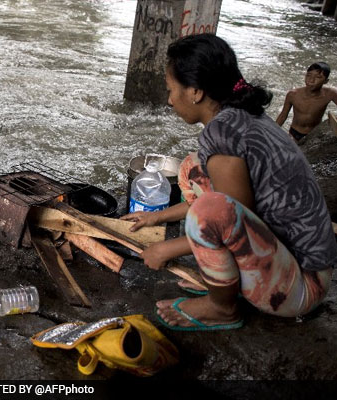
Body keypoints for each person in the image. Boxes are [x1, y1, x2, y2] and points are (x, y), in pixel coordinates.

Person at [121, 34, 337, 332]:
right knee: (191, 167)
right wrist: (156, 216)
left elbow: (223, 216)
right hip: (296, 263)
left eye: (171, 90)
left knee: (210, 210)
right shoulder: (243, 115)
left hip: (298, 287)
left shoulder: (221, 135)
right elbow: (233, 208)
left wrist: (166, 249)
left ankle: (222, 307)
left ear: (195, 92)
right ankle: (227, 282)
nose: (170, 100)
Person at [276, 61, 337, 142]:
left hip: (315, 133)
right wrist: (272, 132)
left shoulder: (330, 94)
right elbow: (283, 116)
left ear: (326, 81)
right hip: (294, 133)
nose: (311, 80)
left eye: (318, 77)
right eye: (308, 76)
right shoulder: (293, 94)